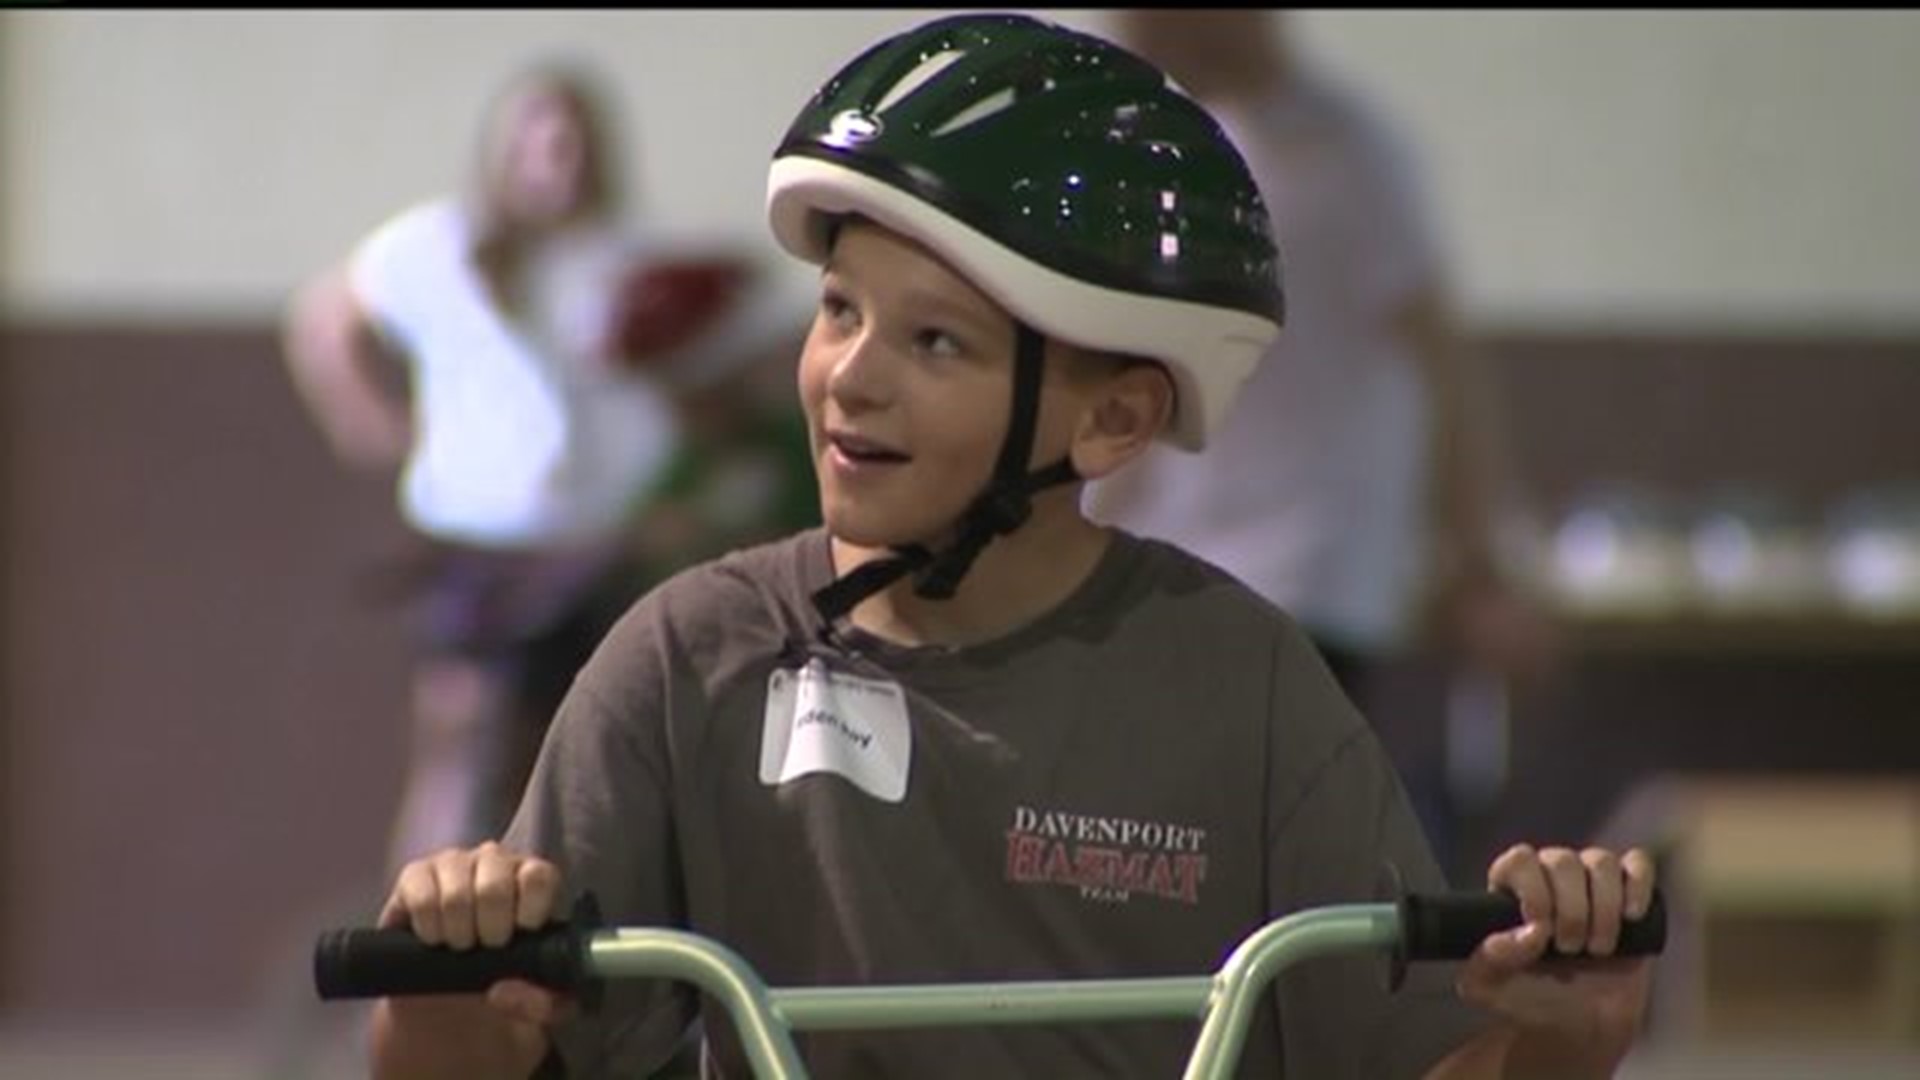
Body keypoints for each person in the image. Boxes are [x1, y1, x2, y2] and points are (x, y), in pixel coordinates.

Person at [367, 15, 1656, 1079]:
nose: (846, 380)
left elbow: (1414, 1065)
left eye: (936, 342)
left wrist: (1562, 1050)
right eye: (837, 310)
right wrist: (441, 988)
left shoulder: (1242, 685)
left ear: (1114, 418)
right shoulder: (689, 661)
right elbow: (483, 1055)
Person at [281, 60, 788, 872]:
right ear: (501, 151)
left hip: (609, 547)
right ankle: (413, 948)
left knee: (601, 750)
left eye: (572, 139)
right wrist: (376, 427)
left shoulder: (637, 261)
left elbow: (749, 358)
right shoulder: (440, 247)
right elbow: (323, 317)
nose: (555, 157)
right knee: (462, 745)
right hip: (487, 547)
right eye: (536, 139)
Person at [1087, 10, 1558, 871]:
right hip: (1175, 575)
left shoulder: (1352, 156)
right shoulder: (1179, 150)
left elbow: (1448, 368)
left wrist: (1480, 563)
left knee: (1268, 864)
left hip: (1309, 583)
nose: (1126, 28)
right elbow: (1151, 385)